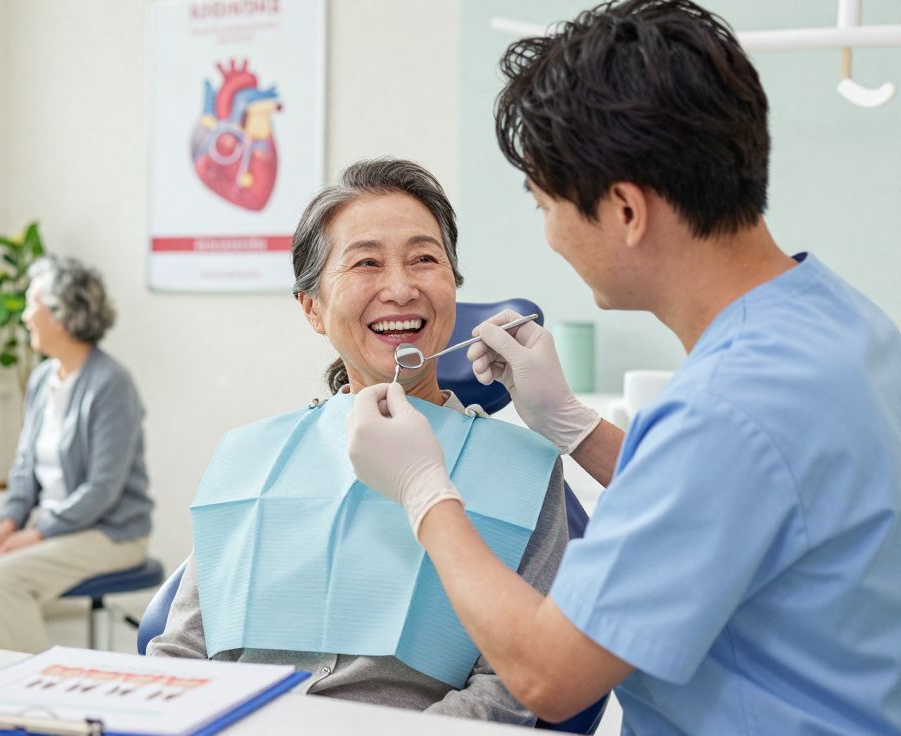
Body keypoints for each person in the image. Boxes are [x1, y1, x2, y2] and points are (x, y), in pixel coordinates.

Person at [345, 2, 901, 734]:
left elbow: (548, 676)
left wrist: (423, 492)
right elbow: (733, 498)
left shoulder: (723, 409)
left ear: (626, 211)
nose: (550, 236)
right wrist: (577, 428)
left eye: (545, 205)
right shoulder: (842, 320)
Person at [148, 158, 570, 726]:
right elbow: (180, 655)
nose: (400, 288)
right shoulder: (251, 458)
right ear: (313, 308)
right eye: (366, 262)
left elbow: (509, 691)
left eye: (424, 259)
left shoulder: (524, 472)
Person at [0, 255, 153, 653]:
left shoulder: (111, 384)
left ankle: (34, 682)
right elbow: (25, 468)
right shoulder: (43, 379)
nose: (25, 317)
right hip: (57, 528)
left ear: (60, 315)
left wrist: (37, 533)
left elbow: (102, 489)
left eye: (31, 304)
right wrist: (8, 523)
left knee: (3, 578)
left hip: (111, 533)